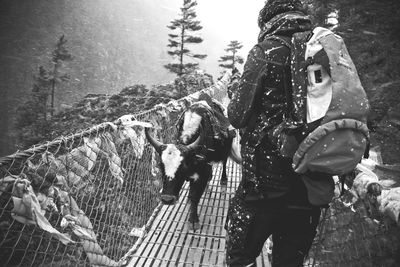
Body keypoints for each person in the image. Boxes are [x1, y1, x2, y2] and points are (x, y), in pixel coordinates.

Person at [225, 1, 334, 266]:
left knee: (240, 258)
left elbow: (237, 115)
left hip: (264, 186)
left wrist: (238, 91)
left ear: (267, 21)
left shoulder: (267, 50)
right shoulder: (325, 50)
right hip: (311, 182)